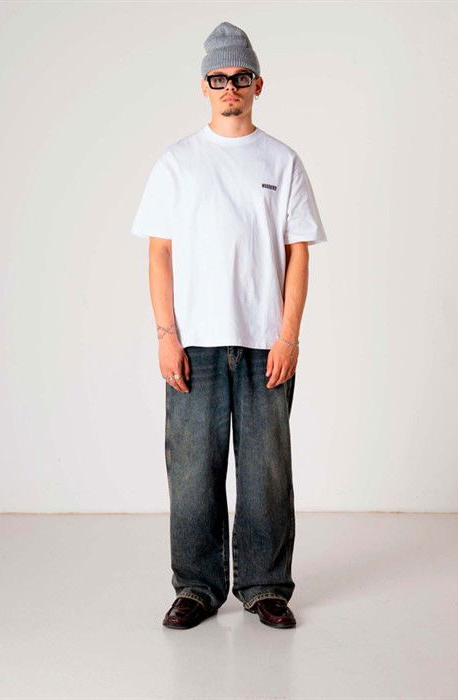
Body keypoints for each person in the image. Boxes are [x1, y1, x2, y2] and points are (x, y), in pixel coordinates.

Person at [131, 21, 327, 630]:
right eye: (218, 78)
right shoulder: (178, 162)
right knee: (192, 472)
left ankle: (266, 586)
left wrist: (288, 336)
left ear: (258, 84)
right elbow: (159, 253)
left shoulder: (281, 161)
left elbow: (298, 254)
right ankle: (196, 587)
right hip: (196, 344)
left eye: (241, 76)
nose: (230, 87)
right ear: (204, 86)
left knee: (267, 473)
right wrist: (166, 336)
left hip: (265, 342)